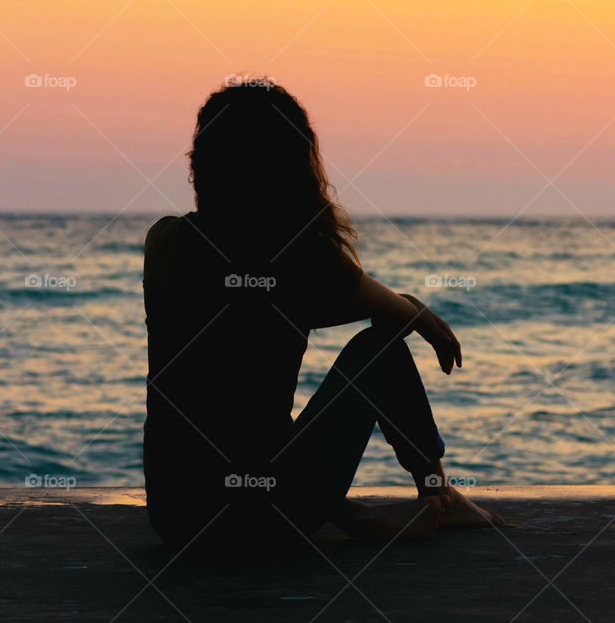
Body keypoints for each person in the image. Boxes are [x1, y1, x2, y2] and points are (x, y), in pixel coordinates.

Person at [142, 77, 503, 553]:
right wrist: (417, 310)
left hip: (177, 517)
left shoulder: (166, 242)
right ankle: (437, 492)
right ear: (295, 167)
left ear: (202, 162)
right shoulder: (301, 258)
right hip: (268, 518)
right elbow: (390, 312)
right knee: (380, 349)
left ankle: (361, 516)